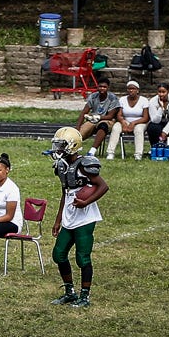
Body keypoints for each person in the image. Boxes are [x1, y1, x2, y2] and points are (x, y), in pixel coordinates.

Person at [48, 128, 107, 307]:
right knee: (58, 254)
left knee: (82, 257)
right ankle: (70, 292)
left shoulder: (84, 165)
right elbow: (65, 193)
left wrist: (86, 202)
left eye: (61, 145)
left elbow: (103, 186)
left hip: (85, 217)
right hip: (69, 214)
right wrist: (58, 219)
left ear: (73, 146)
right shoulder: (62, 165)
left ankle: (85, 296)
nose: (57, 149)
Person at [110, 80, 152, 160]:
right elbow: (119, 115)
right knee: (115, 128)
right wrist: (123, 122)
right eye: (129, 89)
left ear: (138, 90)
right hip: (125, 120)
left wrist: (133, 123)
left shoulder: (144, 100)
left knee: (138, 130)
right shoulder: (122, 99)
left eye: (133, 88)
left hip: (140, 122)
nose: (131, 90)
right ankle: (110, 152)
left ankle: (138, 154)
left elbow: (146, 117)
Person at [75, 79, 120, 151]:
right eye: (100, 86)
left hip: (107, 120)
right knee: (78, 133)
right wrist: (78, 127)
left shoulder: (113, 98)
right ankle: (73, 147)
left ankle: (92, 150)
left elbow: (110, 116)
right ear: (97, 87)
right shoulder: (93, 96)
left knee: (103, 126)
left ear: (108, 88)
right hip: (93, 120)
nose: (102, 88)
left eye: (104, 87)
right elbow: (84, 112)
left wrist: (99, 117)